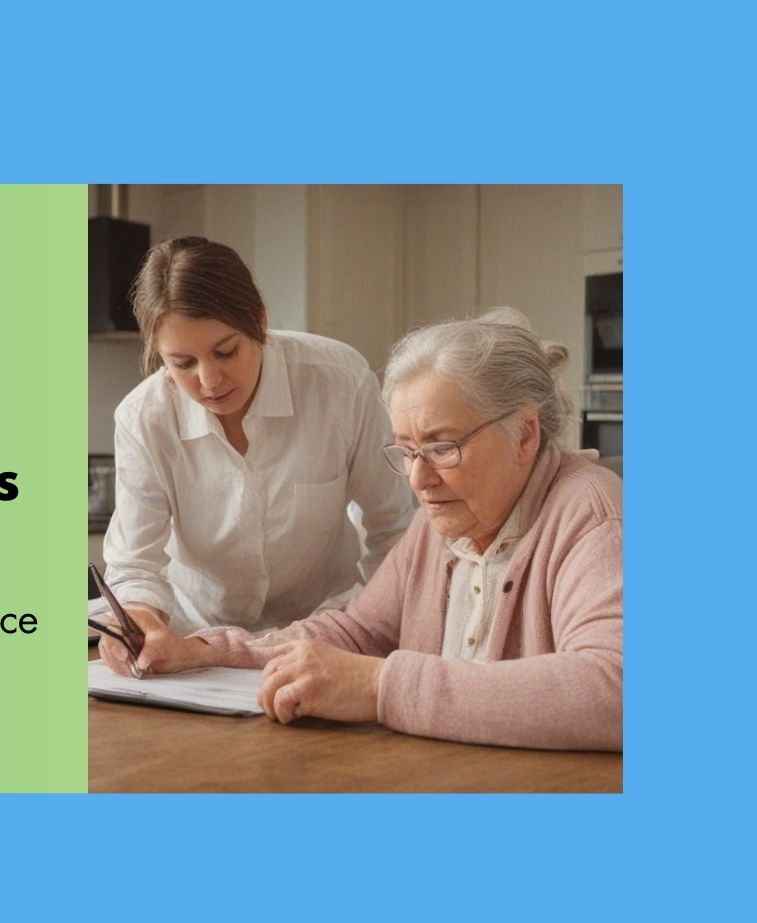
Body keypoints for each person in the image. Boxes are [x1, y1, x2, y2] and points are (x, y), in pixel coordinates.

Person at [100, 307, 623, 752]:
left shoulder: (589, 512)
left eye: (443, 447)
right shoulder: (441, 526)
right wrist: (209, 651)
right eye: (408, 451)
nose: (419, 479)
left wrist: (380, 686)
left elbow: (616, 689)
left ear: (525, 433)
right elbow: (358, 632)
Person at [102, 236, 414, 639]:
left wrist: (367, 623)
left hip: (328, 631)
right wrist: (139, 619)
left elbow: (395, 530)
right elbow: (134, 566)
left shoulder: (339, 382)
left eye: (227, 352)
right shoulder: (143, 419)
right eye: (182, 364)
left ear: (260, 320)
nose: (209, 381)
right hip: (198, 641)